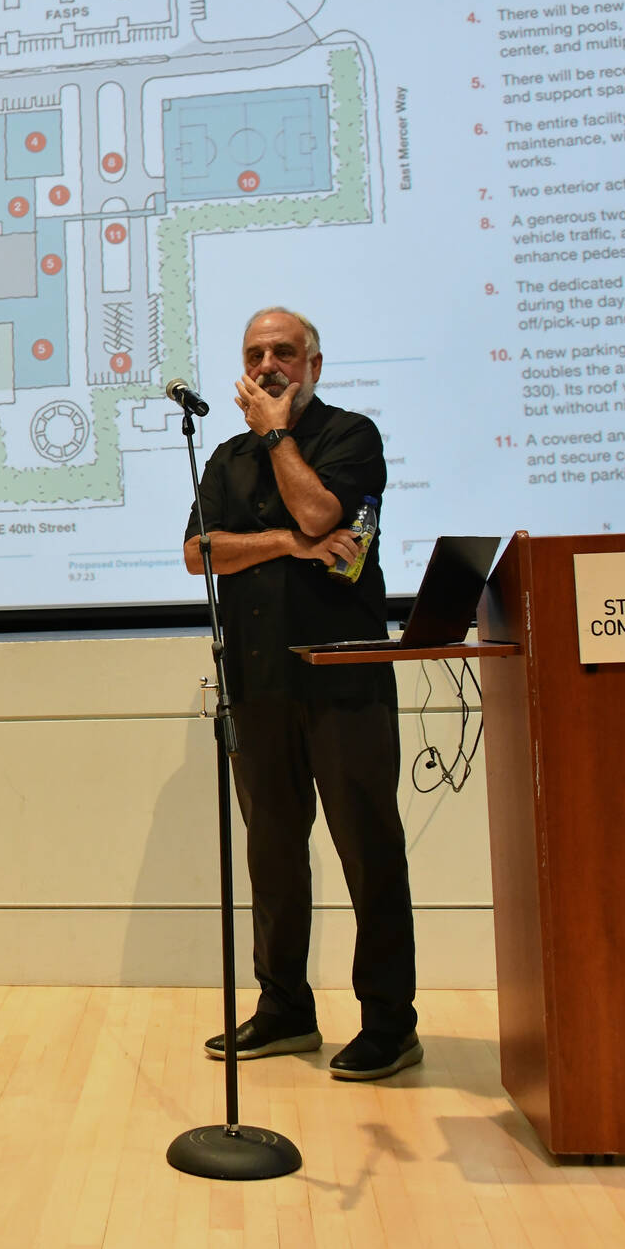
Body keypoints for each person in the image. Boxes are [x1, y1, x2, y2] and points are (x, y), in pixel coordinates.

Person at [181, 306, 420, 1081]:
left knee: (367, 851)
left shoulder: (351, 436)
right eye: (255, 354)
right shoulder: (223, 456)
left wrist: (280, 437)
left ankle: (390, 1023)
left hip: (342, 677)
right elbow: (199, 552)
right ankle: (285, 1009)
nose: (268, 364)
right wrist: (287, 544)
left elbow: (325, 511)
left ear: (313, 365)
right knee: (274, 856)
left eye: (284, 352)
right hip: (258, 684)